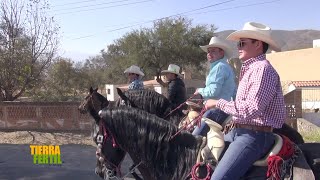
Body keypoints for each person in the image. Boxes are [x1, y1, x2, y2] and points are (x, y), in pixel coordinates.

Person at [205, 22, 285, 180]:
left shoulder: (262, 69)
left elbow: (251, 109)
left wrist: (217, 102)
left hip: (254, 136)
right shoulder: (251, 69)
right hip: (240, 131)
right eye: (238, 43)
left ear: (258, 44)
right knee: (203, 155)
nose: (238, 47)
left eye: (242, 43)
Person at [192, 36, 236, 136]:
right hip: (226, 110)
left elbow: (213, 91)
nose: (209, 54)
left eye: (213, 51)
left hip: (216, 111)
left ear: (222, 53)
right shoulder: (227, 67)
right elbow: (234, 91)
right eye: (208, 51)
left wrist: (200, 90)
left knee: (192, 139)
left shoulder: (218, 67)